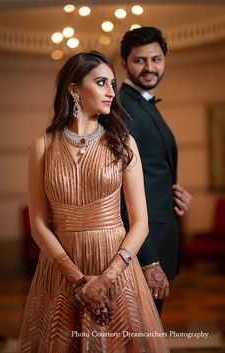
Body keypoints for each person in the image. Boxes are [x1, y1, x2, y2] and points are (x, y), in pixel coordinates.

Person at [18, 51, 170, 353]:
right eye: (102, 82)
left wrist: (107, 278)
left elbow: (140, 223)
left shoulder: (124, 143)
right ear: (74, 89)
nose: (112, 91)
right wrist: (79, 281)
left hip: (115, 264)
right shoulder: (43, 146)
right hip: (62, 270)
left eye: (113, 83)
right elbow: (38, 224)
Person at [119, 27, 192, 315]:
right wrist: (148, 259)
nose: (150, 67)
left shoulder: (144, 104)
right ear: (124, 63)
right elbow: (121, 191)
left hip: (158, 236)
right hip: (141, 248)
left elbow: (149, 174)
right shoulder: (125, 109)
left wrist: (173, 193)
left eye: (156, 59)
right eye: (140, 60)